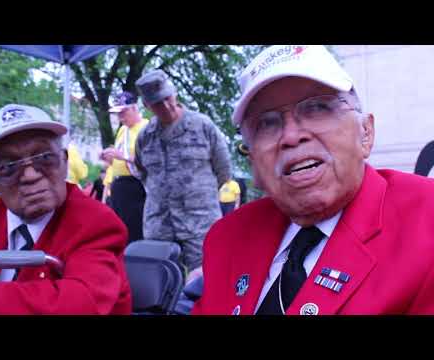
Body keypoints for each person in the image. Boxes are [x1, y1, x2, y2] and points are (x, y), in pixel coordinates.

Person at [192, 45, 434, 315]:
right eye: (266, 123)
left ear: (365, 133)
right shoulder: (227, 239)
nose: (292, 136)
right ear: (252, 161)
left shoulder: (426, 222)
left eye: (317, 108)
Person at [0, 104, 131, 314]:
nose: (30, 175)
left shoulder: (96, 223)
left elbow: (81, 303)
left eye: (44, 158)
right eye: (9, 167)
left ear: (64, 161)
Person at [134, 69, 232, 282]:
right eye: (158, 104)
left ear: (175, 94)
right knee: (159, 287)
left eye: (168, 99)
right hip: (160, 227)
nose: (166, 106)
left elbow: (223, 170)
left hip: (200, 224)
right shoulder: (145, 137)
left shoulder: (202, 126)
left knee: (208, 283)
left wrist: (197, 197)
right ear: (147, 107)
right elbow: (142, 173)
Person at [100, 91, 149, 243]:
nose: (120, 117)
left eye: (123, 112)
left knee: (134, 230)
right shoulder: (122, 130)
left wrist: (122, 156)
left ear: (135, 108)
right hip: (118, 185)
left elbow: (149, 160)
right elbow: (116, 157)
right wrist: (108, 158)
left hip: (135, 185)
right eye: (118, 113)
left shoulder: (146, 128)